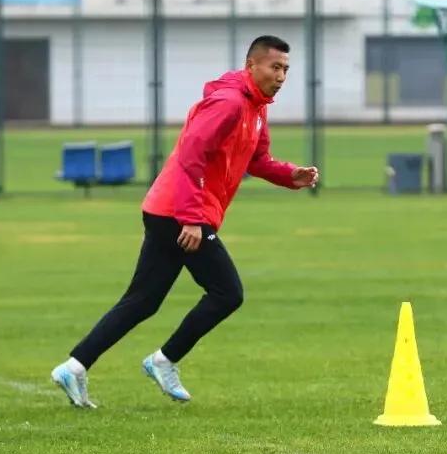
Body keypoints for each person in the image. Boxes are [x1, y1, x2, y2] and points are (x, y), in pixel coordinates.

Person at [50, 35, 319, 409]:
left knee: (142, 301)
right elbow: (192, 154)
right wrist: (191, 219)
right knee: (227, 293)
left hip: (168, 209)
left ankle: (74, 367)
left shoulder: (256, 107)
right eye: (275, 67)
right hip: (182, 213)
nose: (281, 76)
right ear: (251, 65)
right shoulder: (229, 103)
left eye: (286, 69)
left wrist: (290, 175)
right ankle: (164, 360)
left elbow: (256, 160)